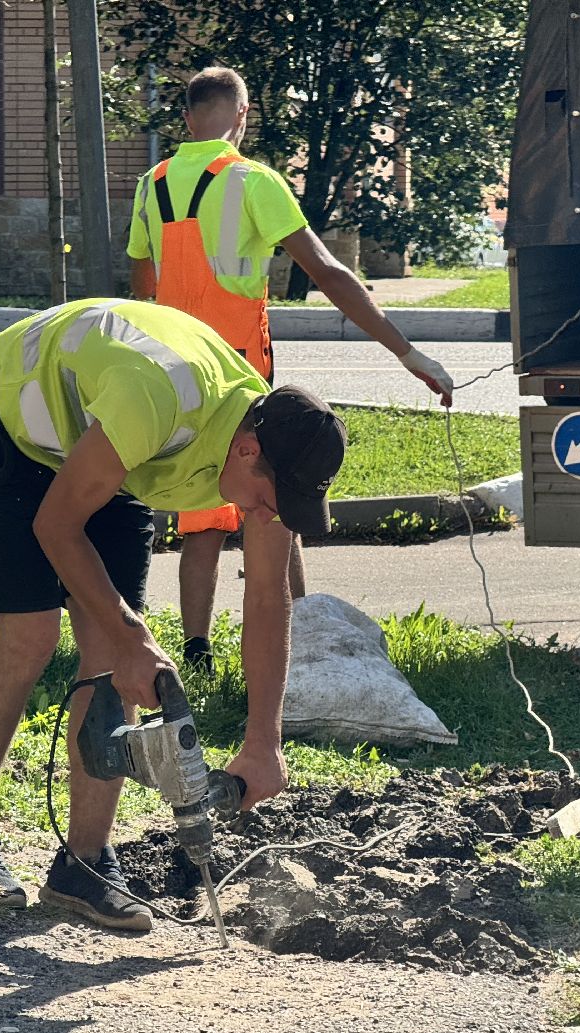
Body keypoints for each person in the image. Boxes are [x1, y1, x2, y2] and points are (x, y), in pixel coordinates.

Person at [0, 297, 347, 932]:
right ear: (245, 452)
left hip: (114, 456)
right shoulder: (158, 395)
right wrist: (135, 639)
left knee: (108, 652)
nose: (270, 514)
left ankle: (84, 866)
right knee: (31, 635)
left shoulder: (271, 447)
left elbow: (265, 597)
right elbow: (55, 523)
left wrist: (263, 741)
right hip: (13, 421)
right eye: (271, 498)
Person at [128, 65, 454, 675]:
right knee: (274, 503)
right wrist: (406, 352)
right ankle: (299, 642)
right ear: (244, 114)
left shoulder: (153, 182)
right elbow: (329, 274)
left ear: (186, 118)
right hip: (243, 374)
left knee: (201, 515)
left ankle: (194, 653)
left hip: (177, 374)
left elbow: (143, 290)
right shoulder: (254, 181)